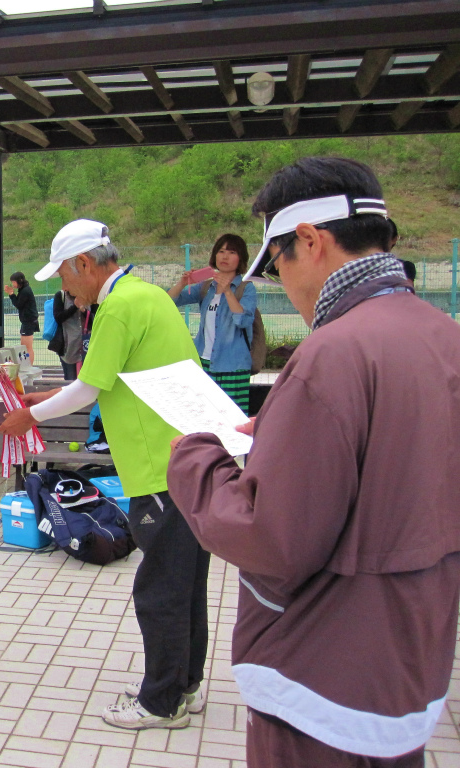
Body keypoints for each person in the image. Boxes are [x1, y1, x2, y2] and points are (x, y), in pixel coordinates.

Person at [168, 157, 460, 767]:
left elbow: (272, 536)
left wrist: (197, 458)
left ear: (310, 239)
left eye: (277, 263)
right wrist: (287, 433)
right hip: (408, 670)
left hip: (320, 682)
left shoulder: (333, 352)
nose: (282, 282)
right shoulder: (442, 335)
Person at [0, 219, 208, 730]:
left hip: (158, 467)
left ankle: (161, 703)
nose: (64, 289)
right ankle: (184, 684)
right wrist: (39, 399)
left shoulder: (116, 308)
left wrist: (29, 415)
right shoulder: (147, 296)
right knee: (186, 582)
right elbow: (98, 380)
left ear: (84, 264)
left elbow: (89, 389)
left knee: (159, 589)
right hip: (192, 461)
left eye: (64, 277)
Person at [168, 234, 257, 413]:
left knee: (233, 417)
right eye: (221, 251)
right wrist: (182, 283)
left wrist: (228, 292)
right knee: (204, 414)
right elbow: (169, 301)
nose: (225, 256)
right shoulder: (206, 287)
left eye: (232, 252)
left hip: (232, 365)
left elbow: (243, 320)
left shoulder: (246, 288)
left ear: (240, 258)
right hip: (203, 362)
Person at [48, 290, 85, 380]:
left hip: (86, 345)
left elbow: (94, 319)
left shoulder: (88, 295)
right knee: (70, 379)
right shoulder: (61, 296)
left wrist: (84, 311)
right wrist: (74, 307)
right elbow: (58, 317)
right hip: (68, 346)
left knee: (86, 380)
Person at [4, 271, 38, 365]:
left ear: (19, 281)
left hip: (29, 321)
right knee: (24, 346)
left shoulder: (25, 291)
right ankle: (27, 364)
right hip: (27, 321)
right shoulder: (23, 290)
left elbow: (18, 304)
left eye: (14, 282)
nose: (13, 284)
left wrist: (11, 294)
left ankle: (29, 365)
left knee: (27, 347)